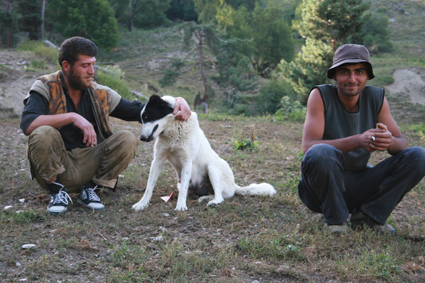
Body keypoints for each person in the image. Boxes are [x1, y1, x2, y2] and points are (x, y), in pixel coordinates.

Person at [21, 36, 191, 215]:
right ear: (66, 66)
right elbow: (28, 123)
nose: (91, 71)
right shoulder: (45, 86)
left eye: (92, 65)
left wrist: (177, 101)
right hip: (56, 166)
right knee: (42, 132)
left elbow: (140, 111)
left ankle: (91, 189)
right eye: (85, 65)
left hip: (89, 164)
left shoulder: (101, 93)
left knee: (127, 138)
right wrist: (72, 117)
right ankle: (56, 191)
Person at [298, 44, 425, 235]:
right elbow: (308, 147)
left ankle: (368, 216)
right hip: (320, 189)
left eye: (359, 72)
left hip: (359, 184)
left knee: (419, 156)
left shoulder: (376, 98)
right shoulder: (320, 95)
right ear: (334, 76)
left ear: (367, 76)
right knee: (320, 152)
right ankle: (336, 220)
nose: (352, 79)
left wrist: (387, 140)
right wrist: (358, 140)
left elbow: (402, 144)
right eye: (344, 72)